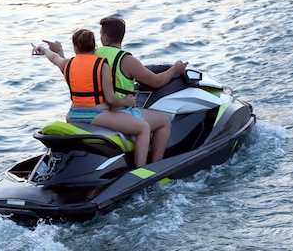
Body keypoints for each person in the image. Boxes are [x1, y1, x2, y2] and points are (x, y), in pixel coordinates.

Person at [43, 16, 188, 162]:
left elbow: (70, 68)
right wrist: (175, 69)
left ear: (104, 38)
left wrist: (58, 50)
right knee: (163, 121)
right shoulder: (126, 60)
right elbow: (157, 81)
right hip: (115, 110)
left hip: (80, 111)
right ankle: (153, 167)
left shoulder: (90, 55)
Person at [33, 29, 151, 168]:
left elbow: (53, 57)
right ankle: (141, 170)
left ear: (75, 47)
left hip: (72, 116)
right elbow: (112, 99)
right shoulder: (102, 65)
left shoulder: (67, 64)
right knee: (144, 128)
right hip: (96, 116)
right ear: (94, 46)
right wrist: (127, 101)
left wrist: (44, 49)